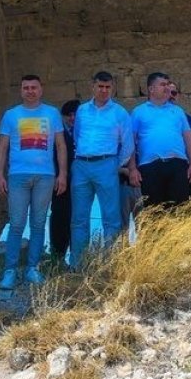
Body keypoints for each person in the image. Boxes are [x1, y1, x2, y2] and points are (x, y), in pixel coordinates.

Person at [0, 75, 67, 289]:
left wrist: (62, 174)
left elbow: (61, 146)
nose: (30, 91)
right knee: (17, 223)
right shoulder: (11, 115)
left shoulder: (52, 113)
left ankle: (32, 269)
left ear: (41, 90)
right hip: (18, 175)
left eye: (33, 87)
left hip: (45, 175)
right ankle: (10, 271)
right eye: (26, 88)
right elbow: (2, 147)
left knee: (38, 223)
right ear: (21, 91)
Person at [70, 71, 134, 268]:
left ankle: (109, 265)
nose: (104, 90)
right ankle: (78, 265)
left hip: (107, 163)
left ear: (112, 88)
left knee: (111, 218)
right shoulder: (82, 111)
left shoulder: (120, 113)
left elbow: (128, 144)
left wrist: (115, 164)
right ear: (93, 87)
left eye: (108, 87)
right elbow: (77, 136)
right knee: (79, 218)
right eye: (100, 86)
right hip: (81, 164)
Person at [128, 72, 191, 209]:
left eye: (168, 84)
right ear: (151, 89)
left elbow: (189, 139)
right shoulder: (138, 112)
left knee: (180, 211)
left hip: (177, 165)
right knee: (154, 212)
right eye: (162, 85)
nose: (167, 88)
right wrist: (132, 169)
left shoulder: (178, 111)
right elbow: (130, 141)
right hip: (150, 167)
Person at [49, 99, 79, 260]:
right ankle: (57, 256)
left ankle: (78, 257)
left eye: (75, 114)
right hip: (60, 180)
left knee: (78, 218)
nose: (72, 118)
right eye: (69, 115)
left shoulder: (84, 131)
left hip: (81, 181)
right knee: (60, 216)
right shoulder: (56, 133)